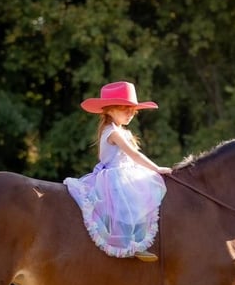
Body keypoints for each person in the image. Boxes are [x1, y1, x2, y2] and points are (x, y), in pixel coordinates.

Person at [64, 81, 172, 262]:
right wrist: (156, 168)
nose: (130, 113)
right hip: (115, 177)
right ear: (108, 110)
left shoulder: (122, 131)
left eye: (133, 109)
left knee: (143, 200)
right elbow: (134, 155)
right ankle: (128, 244)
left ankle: (142, 240)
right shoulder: (112, 132)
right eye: (124, 108)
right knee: (125, 208)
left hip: (127, 172)